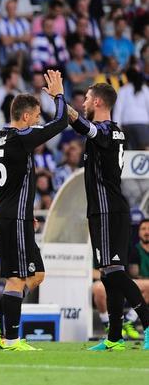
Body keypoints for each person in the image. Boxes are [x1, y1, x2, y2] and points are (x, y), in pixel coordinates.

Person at [0, 70, 68, 351]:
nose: (38, 120)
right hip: (13, 216)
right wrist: (58, 95)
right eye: (37, 115)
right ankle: (13, 339)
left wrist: (25, 215)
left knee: (37, 273)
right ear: (26, 116)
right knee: (16, 277)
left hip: (9, 214)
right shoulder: (21, 137)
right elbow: (61, 121)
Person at [66, 84, 149, 351]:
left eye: (87, 98)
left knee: (113, 273)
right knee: (109, 273)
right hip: (106, 210)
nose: (84, 103)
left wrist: (58, 98)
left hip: (107, 209)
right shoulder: (106, 133)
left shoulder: (107, 131)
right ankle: (115, 336)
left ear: (99, 102)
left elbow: (80, 125)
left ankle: (147, 323)